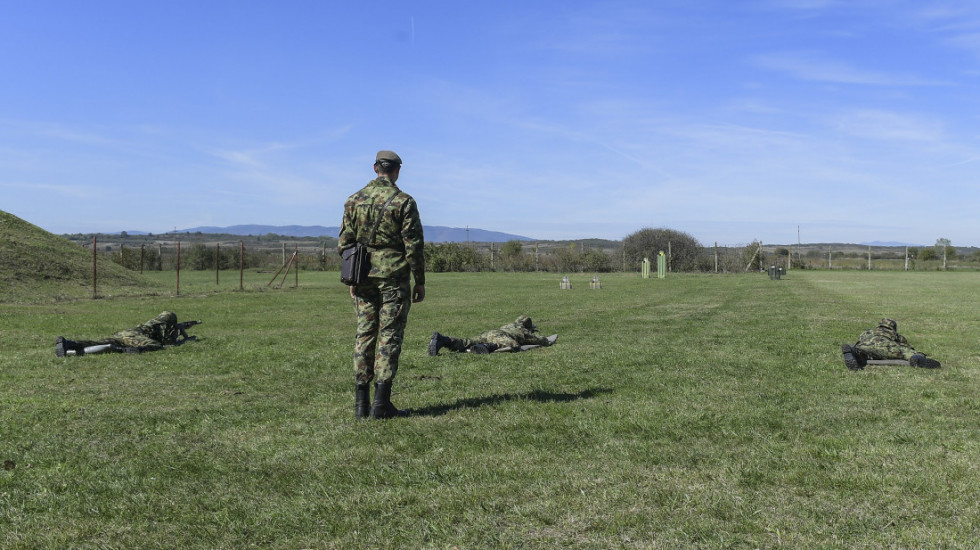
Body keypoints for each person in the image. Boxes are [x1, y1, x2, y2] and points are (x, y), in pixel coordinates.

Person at [339, 150, 425, 420]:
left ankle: (361, 405)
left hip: (363, 276)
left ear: (376, 168)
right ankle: (381, 404)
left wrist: (352, 277)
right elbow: (413, 246)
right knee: (389, 336)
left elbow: (345, 244)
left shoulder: (353, 200)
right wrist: (419, 280)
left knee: (364, 335)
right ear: (397, 170)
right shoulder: (403, 201)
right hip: (393, 277)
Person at [55, 311, 196, 356]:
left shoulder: (156, 323)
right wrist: (182, 340)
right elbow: (166, 342)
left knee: (100, 342)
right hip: (134, 336)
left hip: (124, 333)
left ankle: (69, 344)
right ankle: (127, 350)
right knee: (155, 345)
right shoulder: (160, 326)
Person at [841, 318, 940, 370]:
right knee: (909, 352)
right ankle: (917, 358)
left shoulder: (868, 331)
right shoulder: (895, 334)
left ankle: (852, 352)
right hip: (888, 348)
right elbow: (904, 344)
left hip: (866, 346)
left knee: (857, 349)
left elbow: (861, 338)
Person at [428, 315, 558, 355]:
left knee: (466, 341)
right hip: (499, 336)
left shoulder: (510, 325)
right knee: (514, 345)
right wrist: (548, 340)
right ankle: (486, 347)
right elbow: (541, 341)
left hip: (489, 333)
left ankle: (442, 339)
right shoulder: (522, 330)